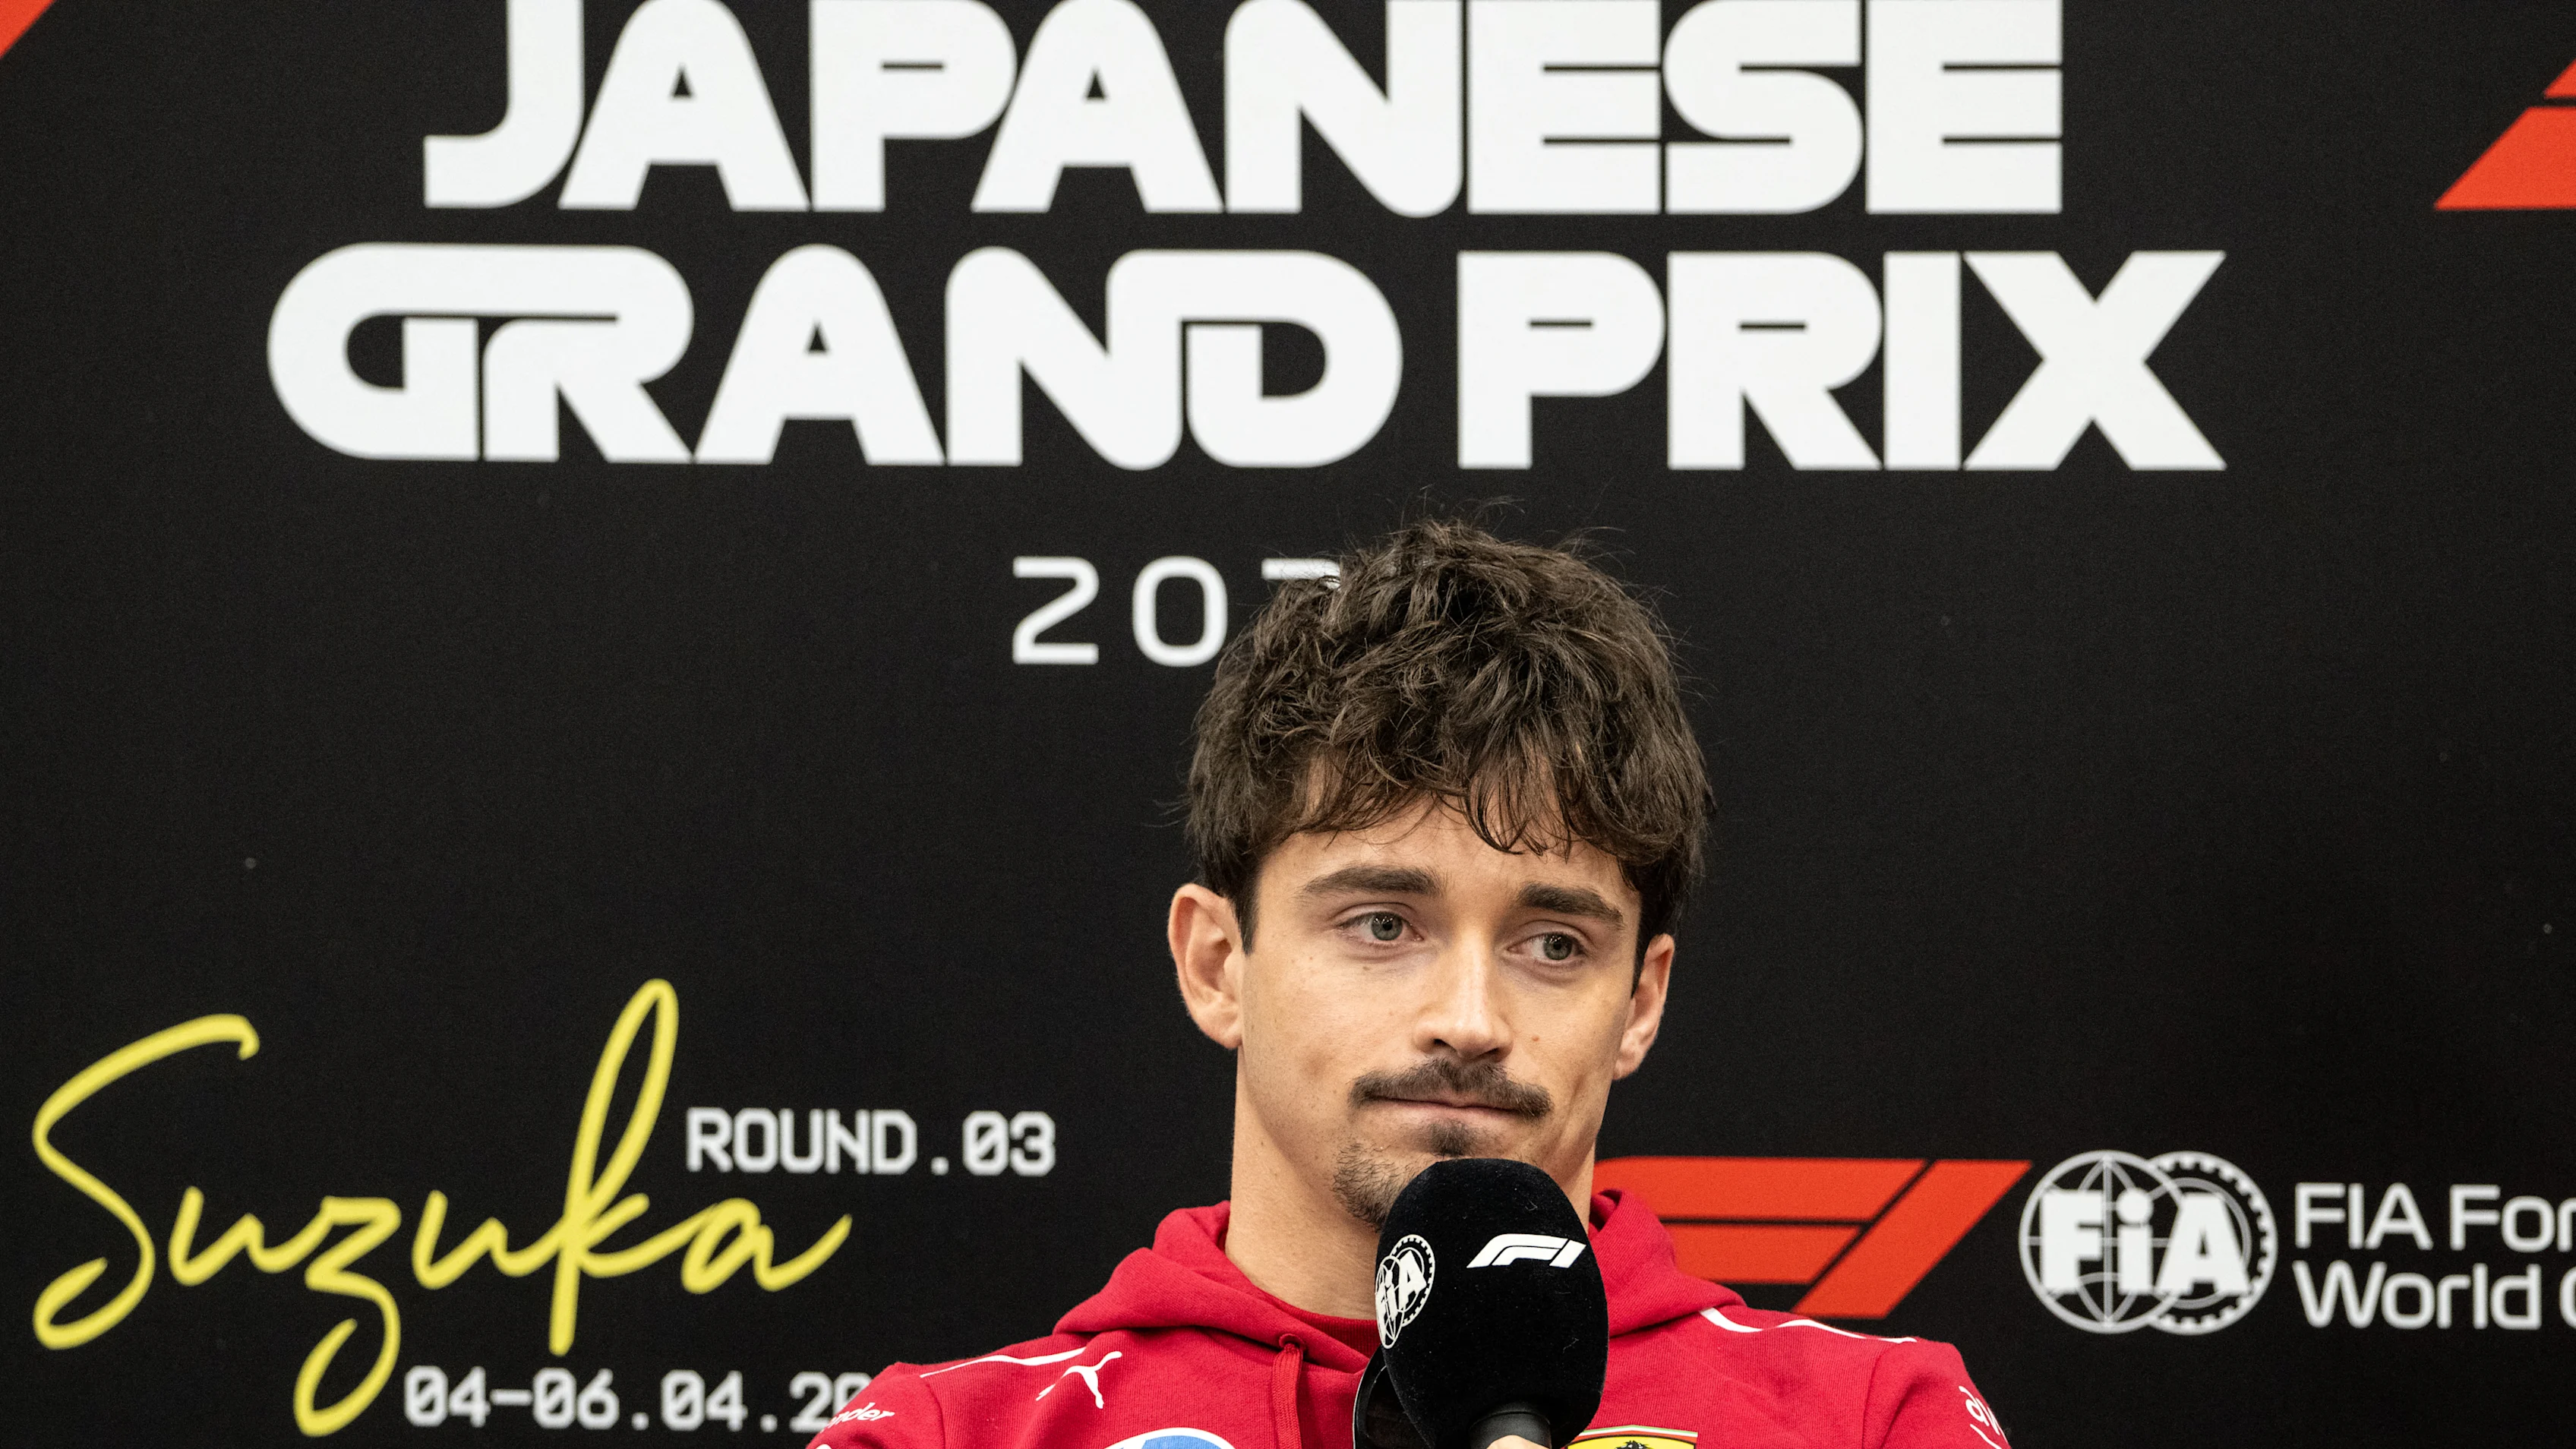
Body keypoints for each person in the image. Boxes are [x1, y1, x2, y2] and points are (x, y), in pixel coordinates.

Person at [810, 519, 2004, 1449]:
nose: (1471, 1023)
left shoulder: (1873, 1418)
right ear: (1217, 963)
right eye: (1384, 924)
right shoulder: (949, 1432)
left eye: (1553, 945)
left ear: (1641, 1002)